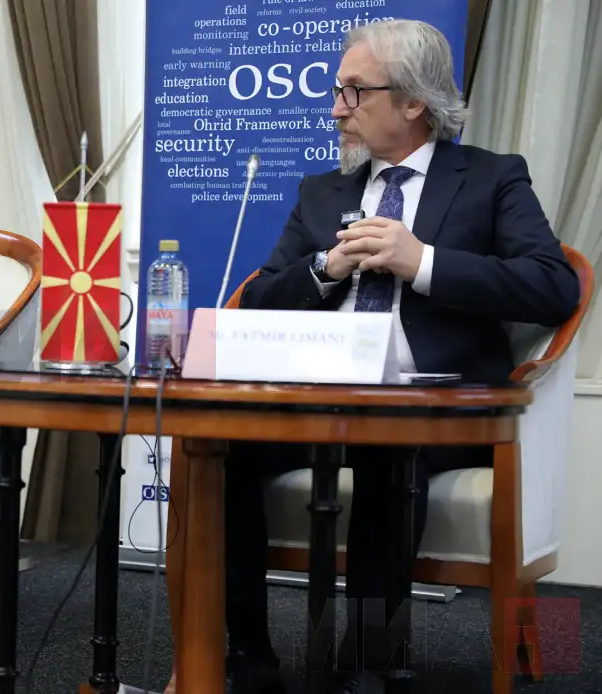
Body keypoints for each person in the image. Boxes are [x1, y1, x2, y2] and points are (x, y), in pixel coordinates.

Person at [224, 19, 579, 694]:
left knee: (391, 450)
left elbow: (554, 286)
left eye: (354, 92)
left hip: (435, 410)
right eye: (336, 91)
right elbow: (258, 300)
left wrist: (425, 263)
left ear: (414, 101)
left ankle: (366, 664)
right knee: (220, 446)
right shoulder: (322, 192)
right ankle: (247, 654)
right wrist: (324, 268)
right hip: (321, 400)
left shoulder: (491, 179)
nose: (336, 109)